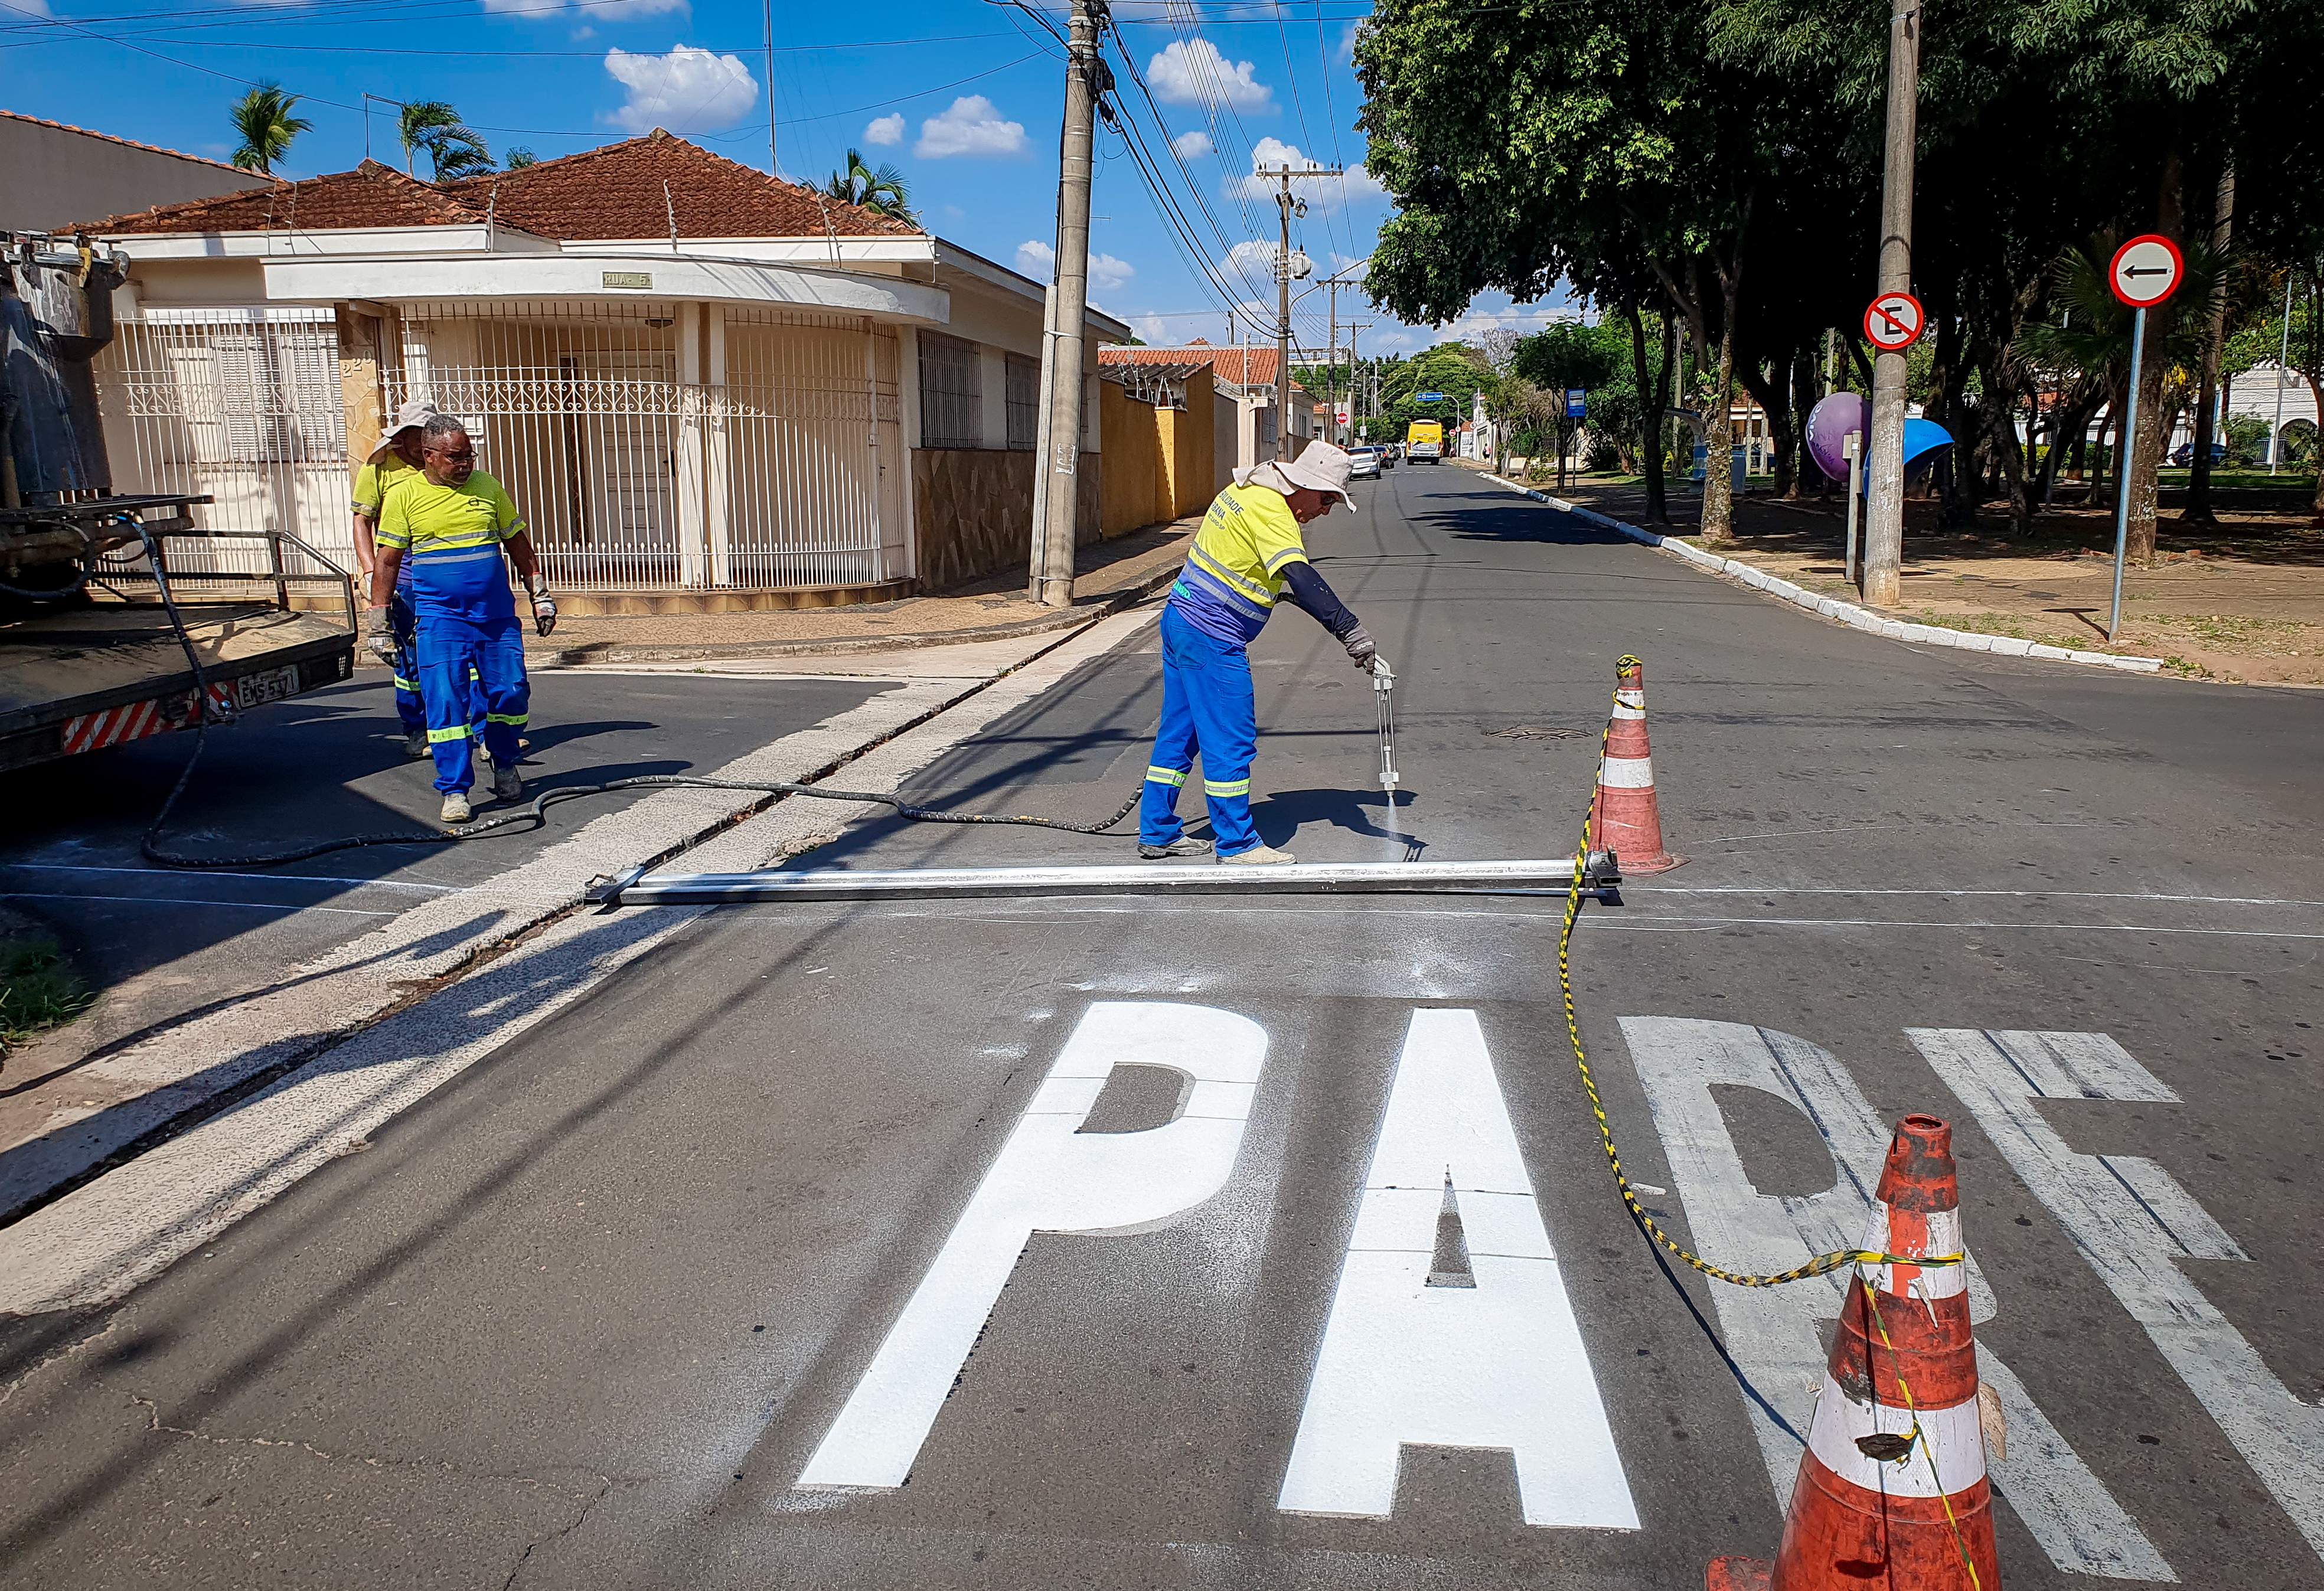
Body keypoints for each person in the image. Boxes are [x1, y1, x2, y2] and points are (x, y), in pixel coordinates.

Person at [1140, 440, 1380, 865]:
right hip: (1212, 636)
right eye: (1327, 499)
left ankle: (1157, 830)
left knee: (1182, 732)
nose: (1326, 510)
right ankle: (1237, 844)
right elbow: (1300, 576)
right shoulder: (1272, 509)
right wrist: (1350, 630)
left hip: (1181, 621)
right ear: (1303, 484)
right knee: (1230, 739)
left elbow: (1284, 582)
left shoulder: (1245, 490)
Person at [368, 416, 559, 824]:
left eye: (470, 455)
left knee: (510, 692)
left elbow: (518, 542)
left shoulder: (487, 487)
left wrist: (539, 594)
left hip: (495, 618)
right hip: (440, 620)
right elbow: (387, 561)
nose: (466, 463)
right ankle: (455, 789)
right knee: (447, 702)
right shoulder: (404, 496)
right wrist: (378, 620)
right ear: (429, 455)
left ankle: (504, 763)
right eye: (456, 457)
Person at [352, 399, 487, 763]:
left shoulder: (453, 468)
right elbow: (362, 522)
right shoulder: (381, 469)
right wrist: (370, 573)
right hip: (402, 572)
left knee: (469, 653)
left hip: (447, 569)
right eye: (413, 435)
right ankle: (417, 728)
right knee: (411, 660)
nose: (418, 442)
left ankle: (483, 730)